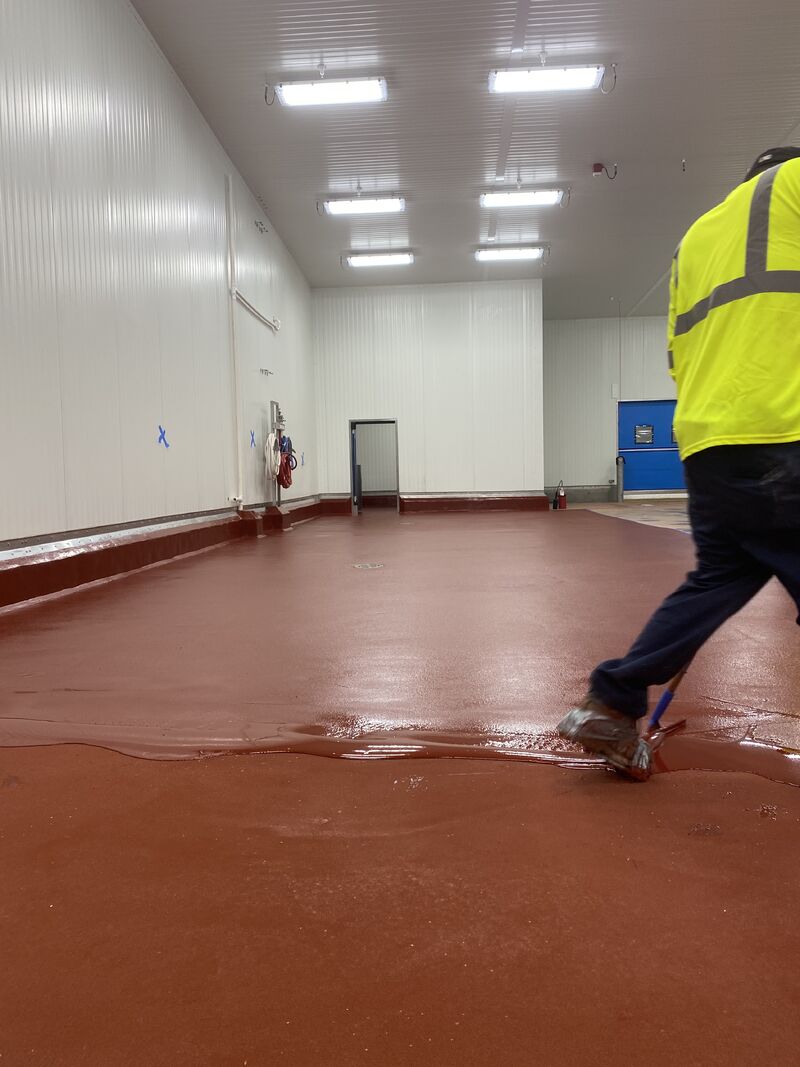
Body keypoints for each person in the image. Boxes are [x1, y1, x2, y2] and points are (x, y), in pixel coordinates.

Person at [558, 146, 800, 780]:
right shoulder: (794, 186)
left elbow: (677, 355)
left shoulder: (695, 239)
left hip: (707, 441)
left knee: (717, 580)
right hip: (785, 427)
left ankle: (612, 702)